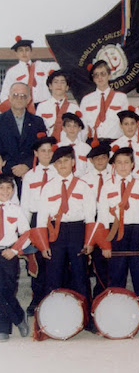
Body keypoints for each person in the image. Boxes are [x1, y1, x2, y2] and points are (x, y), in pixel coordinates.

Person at [96, 147, 139, 330]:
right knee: (116, 278)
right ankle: (116, 317)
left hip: (137, 233)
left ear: (133, 165)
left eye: (126, 162)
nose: (123, 166)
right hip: (115, 234)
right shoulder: (107, 186)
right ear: (113, 165)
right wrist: (105, 244)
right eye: (119, 162)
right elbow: (102, 218)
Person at [36, 146, 95, 301]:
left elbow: (90, 217)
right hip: (56, 233)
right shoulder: (48, 187)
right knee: (53, 275)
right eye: (59, 162)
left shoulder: (83, 186)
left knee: (80, 274)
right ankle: (52, 316)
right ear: (54, 165)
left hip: (77, 231)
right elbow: (41, 217)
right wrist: (43, 245)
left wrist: (89, 241)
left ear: (73, 162)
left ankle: (85, 316)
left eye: (66, 161)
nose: (62, 165)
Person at [19, 134, 56, 314]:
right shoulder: (29, 176)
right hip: (35, 221)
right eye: (43, 151)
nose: (47, 155)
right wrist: (25, 232)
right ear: (36, 153)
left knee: (55, 260)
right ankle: (38, 297)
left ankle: (55, 296)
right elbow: (25, 205)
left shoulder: (59, 172)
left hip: (55, 221)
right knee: (38, 260)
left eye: (50, 151)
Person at [0, 173, 31, 342]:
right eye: (1, 188)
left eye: (9, 188)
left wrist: (14, 250)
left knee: (7, 290)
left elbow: (27, 234)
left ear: (13, 190)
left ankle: (19, 317)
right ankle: (4, 327)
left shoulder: (16, 210)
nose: (5, 191)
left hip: (9, 254)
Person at [0, 83, 47, 187]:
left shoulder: (37, 122)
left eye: (23, 96)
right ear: (9, 97)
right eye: (15, 95)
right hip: (5, 178)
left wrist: (27, 165)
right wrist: (12, 167)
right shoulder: (0, 121)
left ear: (29, 99)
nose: (19, 99)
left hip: (32, 174)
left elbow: (43, 148)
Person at [80, 142, 111, 298]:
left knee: (109, 263)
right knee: (97, 261)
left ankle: (108, 294)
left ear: (108, 159)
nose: (100, 161)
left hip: (110, 224)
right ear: (91, 161)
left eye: (103, 158)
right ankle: (98, 297)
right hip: (92, 223)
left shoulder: (114, 177)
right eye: (96, 158)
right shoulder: (84, 180)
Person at [0, 36, 58, 110]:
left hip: (44, 106)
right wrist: (15, 109)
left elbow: (59, 65)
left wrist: (51, 47)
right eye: (21, 50)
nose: (24, 53)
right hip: (25, 108)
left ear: (31, 52)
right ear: (16, 54)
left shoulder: (41, 66)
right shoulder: (12, 72)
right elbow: (4, 95)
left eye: (27, 50)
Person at [80, 60, 129, 143]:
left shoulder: (121, 98)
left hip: (115, 142)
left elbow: (127, 123)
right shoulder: (86, 100)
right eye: (96, 75)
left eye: (103, 74)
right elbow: (82, 126)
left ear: (109, 75)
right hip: (94, 143)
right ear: (93, 78)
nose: (100, 78)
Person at [35, 70, 81, 142]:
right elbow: (37, 128)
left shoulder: (74, 108)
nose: (59, 85)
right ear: (50, 86)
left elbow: (80, 131)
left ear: (67, 87)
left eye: (62, 82)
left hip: (67, 147)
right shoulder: (41, 107)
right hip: (48, 146)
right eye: (56, 82)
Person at [56, 112, 90, 176]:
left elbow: (90, 168)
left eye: (75, 126)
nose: (72, 129)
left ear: (79, 128)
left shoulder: (86, 148)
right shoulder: (58, 147)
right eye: (69, 126)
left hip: (82, 180)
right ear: (63, 128)